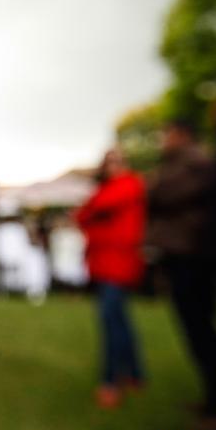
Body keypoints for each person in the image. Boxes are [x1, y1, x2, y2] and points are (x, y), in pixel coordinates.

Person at [147, 119, 216, 426]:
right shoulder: (181, 163)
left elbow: (161, 195)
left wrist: (156, 187)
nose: (163, 140)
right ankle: (215, 398)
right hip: (183, 255)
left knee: (202, 330)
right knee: (196, 331)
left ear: (181, 135)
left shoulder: (195, 161)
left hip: (193, 257)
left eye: (166, 134)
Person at [76, 149, 146, 409]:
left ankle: (111, 381)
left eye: (117, 161)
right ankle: (135, 374)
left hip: (119, 263)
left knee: (110, 320)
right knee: (120, 320)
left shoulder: (128, 184)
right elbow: (82, 216)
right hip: (105, 263)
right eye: (109, 162)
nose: (113, 167)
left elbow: (98, 206)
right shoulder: (110, 188)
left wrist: (92, 209)